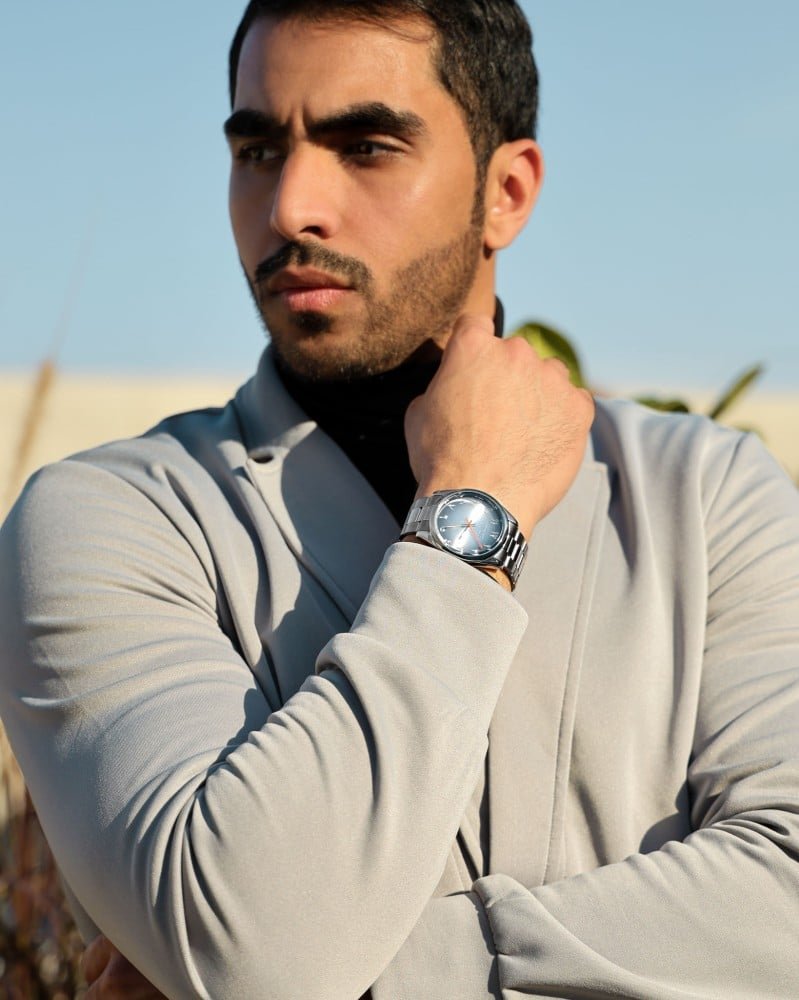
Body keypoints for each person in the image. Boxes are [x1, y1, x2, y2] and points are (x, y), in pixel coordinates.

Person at [2, 1, 799, 997]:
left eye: (366, 147)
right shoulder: (105, 521)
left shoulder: (707, 496)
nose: (291, 206)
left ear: (506, 192)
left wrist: (358, 975)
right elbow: (251, 947)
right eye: (257, 151)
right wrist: (474, 510)